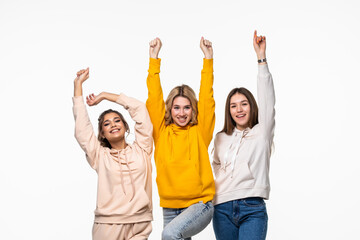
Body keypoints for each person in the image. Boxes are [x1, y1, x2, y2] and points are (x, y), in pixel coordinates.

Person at [146, 37, 215, 240]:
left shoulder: (200, 131)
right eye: (176, 107)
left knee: (169, 234)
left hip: (199, 204)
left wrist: (208, 59)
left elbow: (206, 97)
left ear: (193, 109)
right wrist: (153, 58)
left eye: (187, 107)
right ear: (170, 109)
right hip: (169, 206)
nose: (182, 113)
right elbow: (154, 97)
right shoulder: (161, 131)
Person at [73, 68, 154, 240]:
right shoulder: (100, 156)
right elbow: (82, 130)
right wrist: (78, 86)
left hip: (140, 224)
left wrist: (104, 95)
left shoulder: (142, 149)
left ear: (125, 126)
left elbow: (139, 109)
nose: (113, 125)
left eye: (117, 120)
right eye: (107, 124)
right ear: (102, 133)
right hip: (108, 226)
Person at [212, 31, 275, 240]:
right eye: (233, 106)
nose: (239, 110)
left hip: (252, 207)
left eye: (244, 104)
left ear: (252, 106)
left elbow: (267, 99)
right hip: (221, 208)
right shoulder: (221, 137)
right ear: (228, 110)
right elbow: (216, 168)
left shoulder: (261, 132)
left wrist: (261, 59)